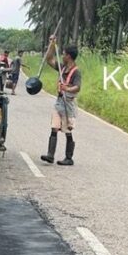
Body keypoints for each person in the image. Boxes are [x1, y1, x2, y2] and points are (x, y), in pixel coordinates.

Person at [39, 36, 80, 166]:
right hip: (59, 102)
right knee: (54, 127)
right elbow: (49, 59)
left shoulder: (76, 72)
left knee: (67, 130)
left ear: (68, 56)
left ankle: (69, 157)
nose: (62, 56)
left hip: (69, 103)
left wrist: (67, 88)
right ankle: (50, 155)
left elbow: (77, 87)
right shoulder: (62, 68)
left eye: (64, 54)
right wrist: (52, 44)